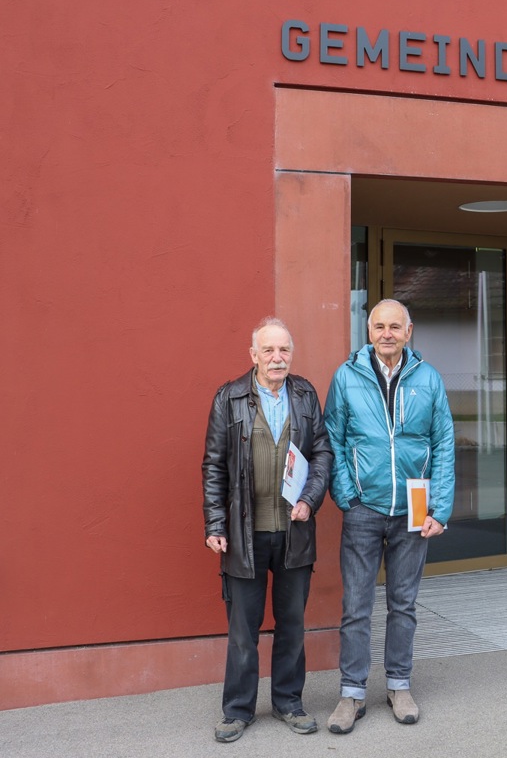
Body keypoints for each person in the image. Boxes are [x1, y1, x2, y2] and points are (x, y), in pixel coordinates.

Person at [324, 299, 455, 734]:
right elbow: (333, 439)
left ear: (409, 330)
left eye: (394, 326)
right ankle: (352, 693)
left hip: (412, 510)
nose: (386, 333)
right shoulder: (347, 377)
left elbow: (443, 445)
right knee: (356, 605)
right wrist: (347, 496)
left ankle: (399, 685)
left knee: (403, 604)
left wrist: (440, 507)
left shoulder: (428, 378)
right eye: (379, 326)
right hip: (365, 508)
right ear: (368, 331)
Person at [201, 317, 332, 743]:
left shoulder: (305, 394)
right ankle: (238, 710)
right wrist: (216, 524)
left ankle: (289, 702)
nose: (278, 358)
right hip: (244, 533)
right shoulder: (229, 397)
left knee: (292, 622)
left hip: (295, 530)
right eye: (269, 351)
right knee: (243, 627)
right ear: (253, 356)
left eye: (284, 351)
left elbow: (323, 453)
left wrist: (310, 499)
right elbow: (214, 466)